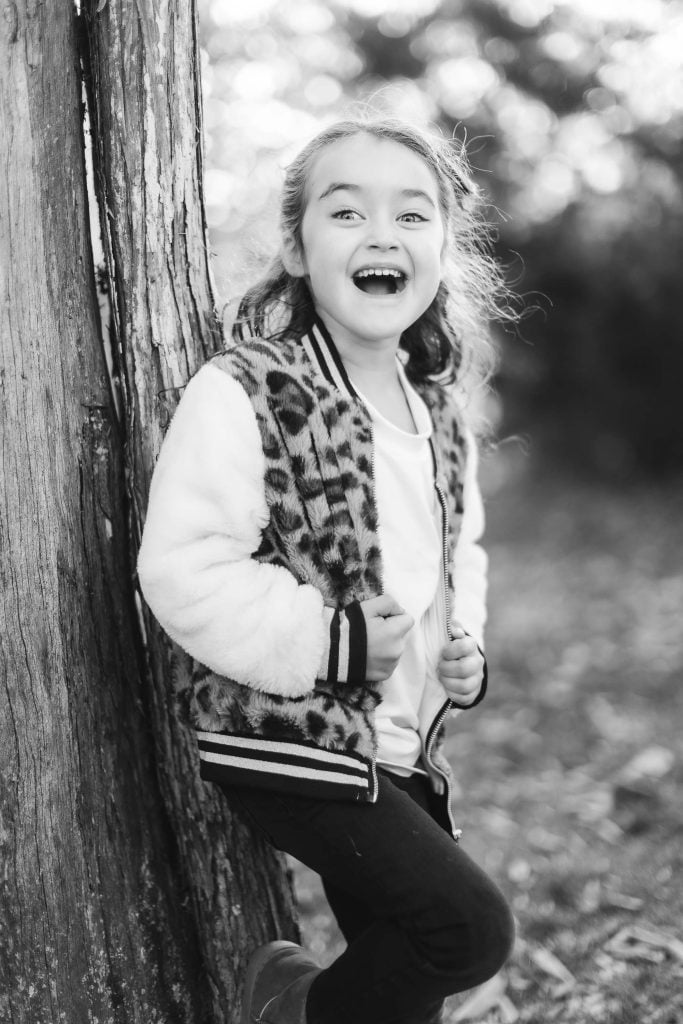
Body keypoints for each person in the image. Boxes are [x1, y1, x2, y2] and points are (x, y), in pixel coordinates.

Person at [137, 116, 516, 1024]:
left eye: (411, 216)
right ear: (297, 249)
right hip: (287, 739)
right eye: (346, 213)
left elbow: (456, 555)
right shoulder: (247, 390)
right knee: (464, 932)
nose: (381, 235)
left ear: (440, 250)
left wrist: (461, 646)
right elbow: (181, 564)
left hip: (398, 750)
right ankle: (287, 1008)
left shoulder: (439, 414)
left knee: (400, 982)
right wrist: (329, 640)